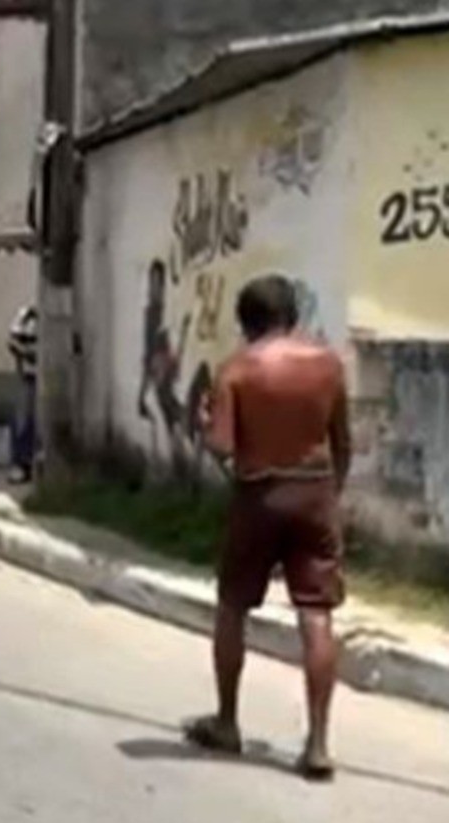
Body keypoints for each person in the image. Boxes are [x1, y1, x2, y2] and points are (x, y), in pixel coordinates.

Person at [186, 275, 350, 782]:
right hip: (315, 491)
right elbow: (342, 441)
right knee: (316, 613)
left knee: (233, 604)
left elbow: (222, 447)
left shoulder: (237, 370)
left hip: (258, 493)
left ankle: (228, 721)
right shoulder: (328, 363)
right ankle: (319, 743)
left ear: (245, 321)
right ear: (293, 315)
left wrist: (201, 419)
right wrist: (330, 494)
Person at [7, 305, 38, 482]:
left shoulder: (45, 319)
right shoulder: (26, 315)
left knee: (36, 422)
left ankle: (34, 463)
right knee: (23, 421)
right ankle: (20, 465)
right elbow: (11, 343)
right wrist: (27, 353)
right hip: (27, 376)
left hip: (49, 378)